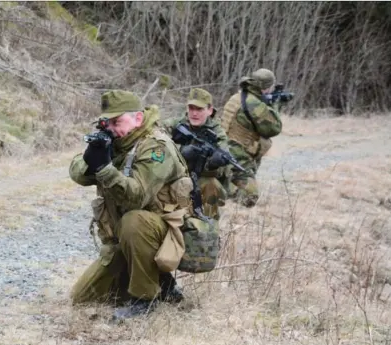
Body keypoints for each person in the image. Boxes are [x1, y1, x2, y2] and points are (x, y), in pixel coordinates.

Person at [69, 90, 193, 321]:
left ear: (138, 118)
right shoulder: (118, 141)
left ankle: (145, 300)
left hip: (163, 234)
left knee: (134, 220)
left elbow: (137, 197)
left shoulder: (156, 147)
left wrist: (104, 168)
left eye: (117, 122)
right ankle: (164, 285)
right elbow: (78, 175)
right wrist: (92, 156)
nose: (112, 128)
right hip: (126, 240)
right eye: (107, 123)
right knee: (82, 298)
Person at [162, 88, 232, 221]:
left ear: (210, 110)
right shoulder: (176, 124)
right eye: (191, 108)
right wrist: (180, 150)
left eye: (199, 109)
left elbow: (226, 168)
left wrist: (212, 164)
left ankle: (206, 229)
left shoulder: (218, 134)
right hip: (173, 176)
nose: (194, 113)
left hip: (199, 180)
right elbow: (156, 140)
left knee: (212, 185)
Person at [221, 68, 283, 208]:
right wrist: (274, 106)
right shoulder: (254, 103)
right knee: (250, 198)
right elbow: (274, 128)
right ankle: (220, 186)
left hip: (225, 149)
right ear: (266, 88)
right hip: (237, 156)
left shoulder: (238, 96)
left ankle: (223, 180)